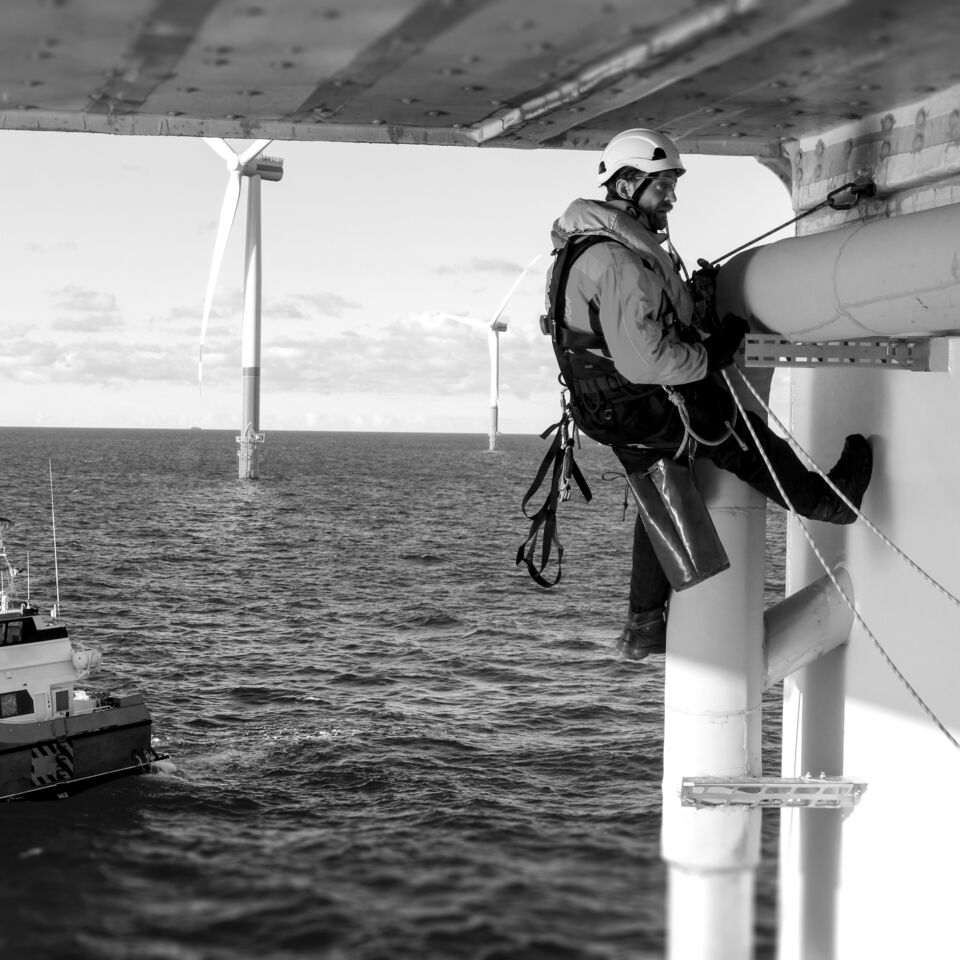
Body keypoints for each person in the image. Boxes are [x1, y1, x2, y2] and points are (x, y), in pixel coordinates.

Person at [541, 128, 872, 661]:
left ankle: (644, 624)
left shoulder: (582, 248)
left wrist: (690, 309)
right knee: (739, 437)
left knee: (660, 489)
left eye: (673, 184)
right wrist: (711, 355)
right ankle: (827, 502)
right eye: (662, 185)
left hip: (603, 407)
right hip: (641, 402)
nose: (672, 196)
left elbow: (620, 330)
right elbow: (646, 360)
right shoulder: (620, 261)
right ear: (625, 186)